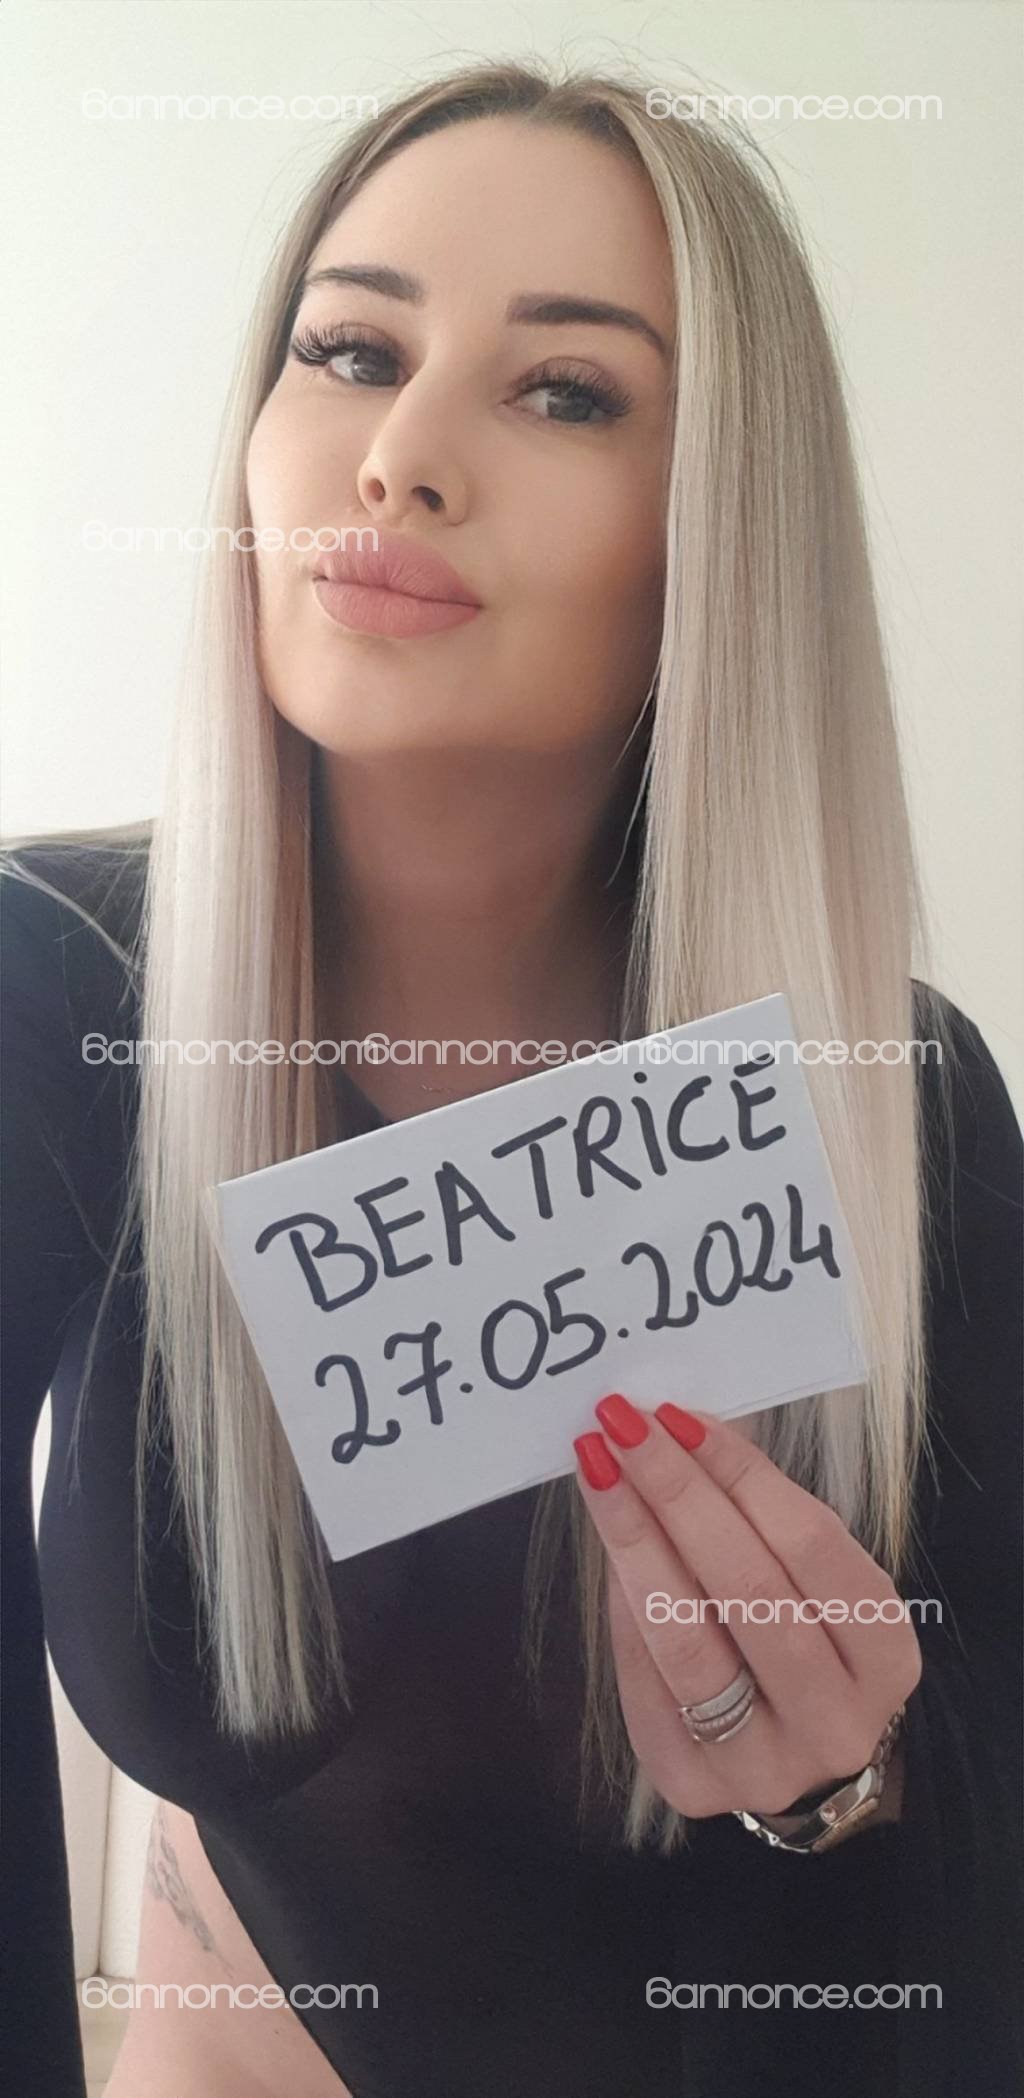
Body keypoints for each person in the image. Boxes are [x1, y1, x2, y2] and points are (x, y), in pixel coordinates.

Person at [2, 59, 1021, 2098]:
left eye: (563, 390)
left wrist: (843, 1788)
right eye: (351, 349)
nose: (396, 458)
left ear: (720, 528)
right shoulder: (57, 986)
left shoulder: (894, 1100)